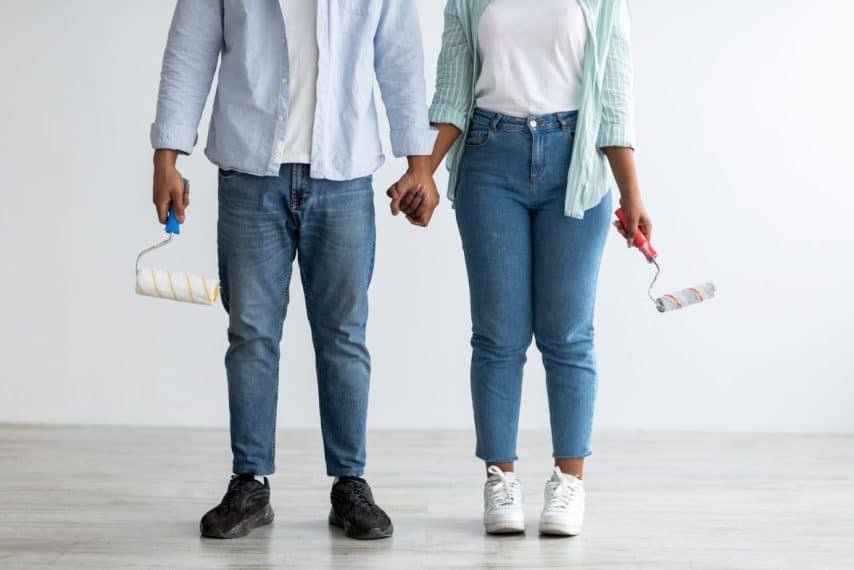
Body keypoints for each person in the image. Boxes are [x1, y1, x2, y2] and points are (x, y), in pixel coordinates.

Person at [150, 0, 437, 540]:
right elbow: (189, 48)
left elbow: (399, 53)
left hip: (345, 170)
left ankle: (350, 483)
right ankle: (250, 482)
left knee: (344, 336)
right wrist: (168, 153)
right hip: (249, 169)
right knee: (251, 334)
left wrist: (417, 158)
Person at [389, 0, 650, 536]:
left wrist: (631, 193)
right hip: (490, 160)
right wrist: (424, 171)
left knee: (569, 335)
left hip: (574, 161)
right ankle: (499, 478)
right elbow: (452, 91)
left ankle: (569, 481)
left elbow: (614, 98)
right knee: (497, 336)